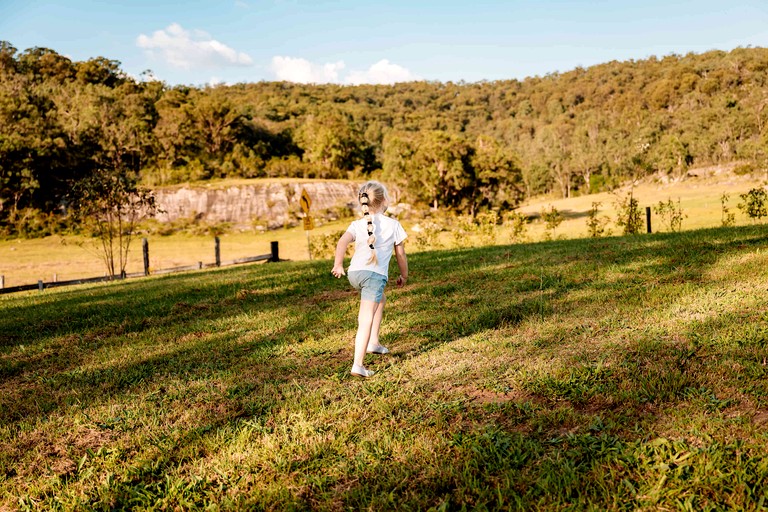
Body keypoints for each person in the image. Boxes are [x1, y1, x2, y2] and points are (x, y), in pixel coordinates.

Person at [331, 181, 409, 378]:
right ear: (384, 201)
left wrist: (338, 264)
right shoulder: (394, 225)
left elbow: (342, 241)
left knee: (380, 299)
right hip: (373, 277)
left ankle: (374, 342)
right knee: (365, 318)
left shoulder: (357, 224)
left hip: (355, 273)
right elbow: (400, 255)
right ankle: (358, 364)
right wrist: (404, 275)